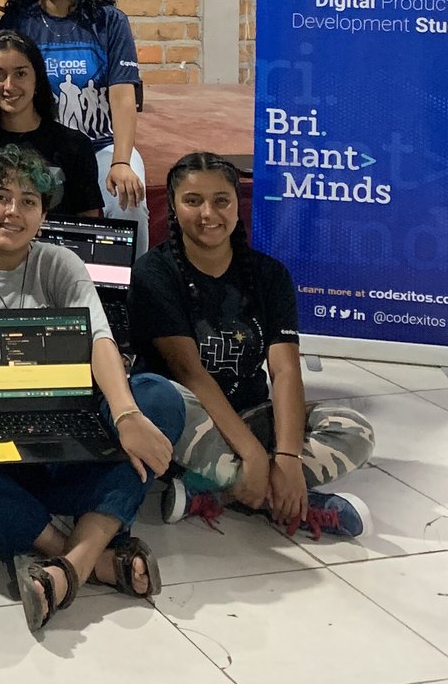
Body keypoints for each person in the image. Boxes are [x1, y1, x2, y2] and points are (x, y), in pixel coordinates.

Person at [0, 145, 184, 635]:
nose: (13, 211)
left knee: (157, 397)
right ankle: (83, 552)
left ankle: (70, 563)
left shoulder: (61, 263)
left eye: (29, 201)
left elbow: (99, 339)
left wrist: (128, 414)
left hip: (62, 438)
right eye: (1, 197)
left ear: (44, 213)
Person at [131, 152, 374, 539]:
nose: (208, 212)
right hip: (191, 421)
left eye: (221, 200)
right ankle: (295, 502)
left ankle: (217, 491)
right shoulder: (153, 273)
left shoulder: (270, 275)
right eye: (193, 201)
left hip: (250, 414)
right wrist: (255, 455)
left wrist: (289, 457)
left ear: (237, 204)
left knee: (354, 429)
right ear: (173, 207)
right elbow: (189, 374)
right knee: (151, 399)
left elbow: (285, 370)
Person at [0, 0, 144, 217]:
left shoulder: (109, 21)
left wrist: (121, 162)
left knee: (130, 206)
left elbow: (123, 95)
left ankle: (134, 266)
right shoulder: (17, 23)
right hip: (40, 150)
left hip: (101, 145)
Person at [0, 30, 104, 234]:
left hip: (54, 261)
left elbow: (88, 228)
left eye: (20, 74)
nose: (9, 86)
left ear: (37, 77)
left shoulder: (75, 145)